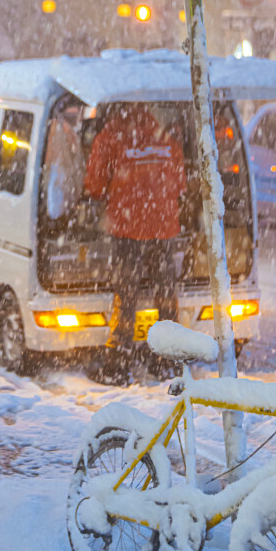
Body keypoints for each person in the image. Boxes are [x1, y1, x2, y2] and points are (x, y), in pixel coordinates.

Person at [83, 103, 187, 379]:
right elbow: (181, 183)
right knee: (165, 294)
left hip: (127, 229)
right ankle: (168, 360)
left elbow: (94, 184)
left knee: (126, 295)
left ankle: (119, 363)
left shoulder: (110, 135)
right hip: (164, 227)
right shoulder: (163, 136)